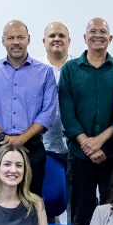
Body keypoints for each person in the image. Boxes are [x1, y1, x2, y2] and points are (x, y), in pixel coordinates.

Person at [59, 17, 113, 225]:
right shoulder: (70, 70)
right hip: (79, 157)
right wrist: (86, 144)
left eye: (103, 32)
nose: (97, 35)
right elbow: (67, 112)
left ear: (110, 39)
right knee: (81, 219)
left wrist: (99, 141)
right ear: (84, 37)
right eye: (92, 31)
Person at [0, 20, 58, 196]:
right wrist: (2, 136)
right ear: (3, 41)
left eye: (20, 37)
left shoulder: (45, 73)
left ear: (28, 39)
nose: (15, 42)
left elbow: (48, 112)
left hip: (32, 149)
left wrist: (22, 138)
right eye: (10, 38)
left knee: (31, 200)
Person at [41, 21, 71, 166]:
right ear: (44, 41)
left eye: (61, 35)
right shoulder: (35, 70)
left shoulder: (78, 68)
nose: (56, 39)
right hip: (44, 147)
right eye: (52, 35)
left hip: (77, 148)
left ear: (69, 41)